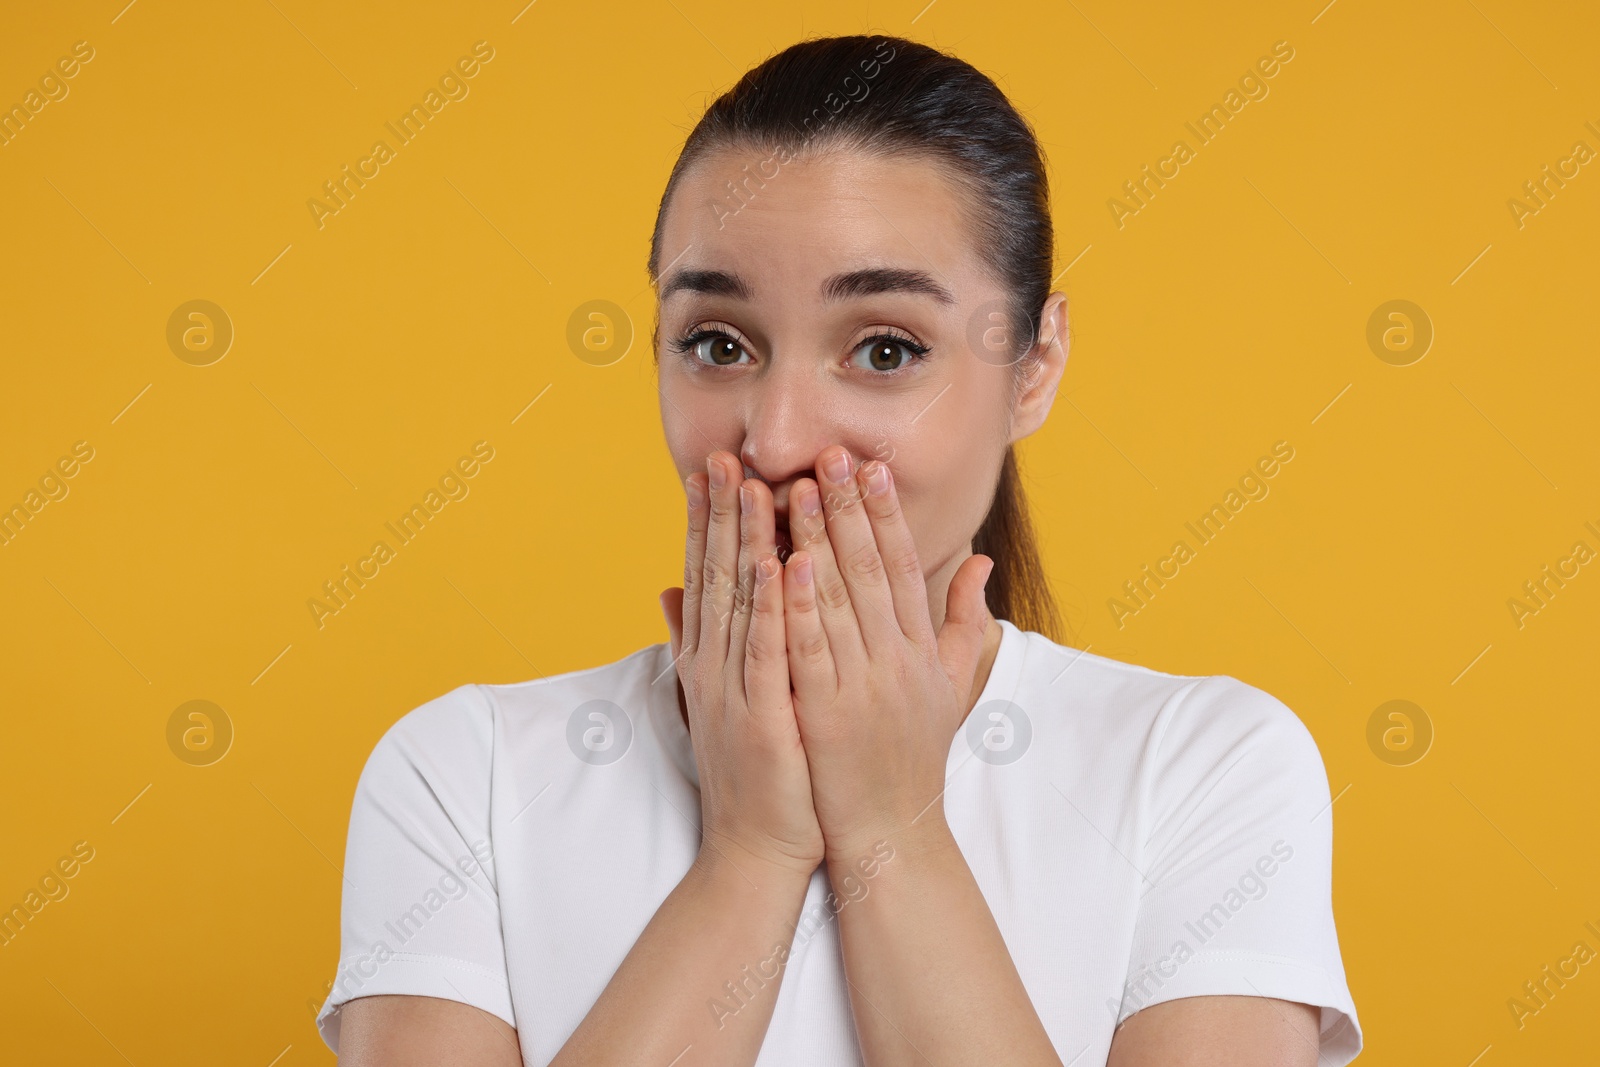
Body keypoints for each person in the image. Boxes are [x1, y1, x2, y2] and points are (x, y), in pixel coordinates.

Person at [315, 33, 1362, 1066]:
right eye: (717, 344)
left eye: (884, 349)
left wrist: (894, 830)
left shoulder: (1203, 767)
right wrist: (749, 854)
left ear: (1033, 368)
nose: (772, 440)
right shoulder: (466, 772)